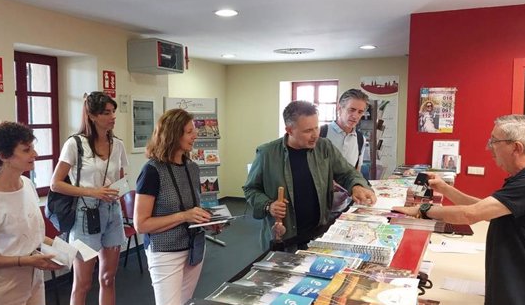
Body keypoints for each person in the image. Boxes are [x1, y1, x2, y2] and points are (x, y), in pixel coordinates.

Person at [393, 114, 525, 305]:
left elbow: (471, 214)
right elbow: (482, 208)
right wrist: (445, 188)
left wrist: (422, 209)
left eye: (494, 141)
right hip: (518, 281)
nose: (489, 147)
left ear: (516, 147)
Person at [243, 100, 377, 251]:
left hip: (318, 235)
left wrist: (357, 185)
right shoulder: (267, 153)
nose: (315, 135)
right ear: (289, 130)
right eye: (307, 131)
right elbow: (251, 189)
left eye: (316, 128)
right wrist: (268, 205)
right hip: (285, 239)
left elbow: (347, 172)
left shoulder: (324, 146)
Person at [0, 121, 63, 305]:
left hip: (31, 282)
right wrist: (23, 260)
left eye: (32, 148)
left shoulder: (27, 185)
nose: (35, 154)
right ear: (4, 156)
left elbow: (32, 237)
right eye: (26, 150)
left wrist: (66, 250)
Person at [50, 91, 129, 305]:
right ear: (92, 116)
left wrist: (117, 190)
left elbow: (122, 180)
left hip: (112, 213)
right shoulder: (75, 144)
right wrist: (93, 192)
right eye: (106, 112)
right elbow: (56, 183)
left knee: (108, 278)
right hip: (85, 216)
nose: (112, 116)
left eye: (113, 112)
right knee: (83, 283)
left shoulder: (118, 145)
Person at [134, 108, 213, 305]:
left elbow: (193, 209)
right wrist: (184, 216)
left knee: (185, 302)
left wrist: (208, 221)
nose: (195, 135)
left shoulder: (192, 168)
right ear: (172, 134)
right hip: (165, 252)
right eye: (189, 131)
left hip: (194, 248)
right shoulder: (152, 171)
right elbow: (141, 225)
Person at [320, 88, 369, 212]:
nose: (355, 116)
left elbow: (356, 171)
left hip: (343, 206)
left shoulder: (360, 139)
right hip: (318, 208)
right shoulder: (320, 133)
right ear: (339, 108)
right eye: (351, 110)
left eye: (360, 112)